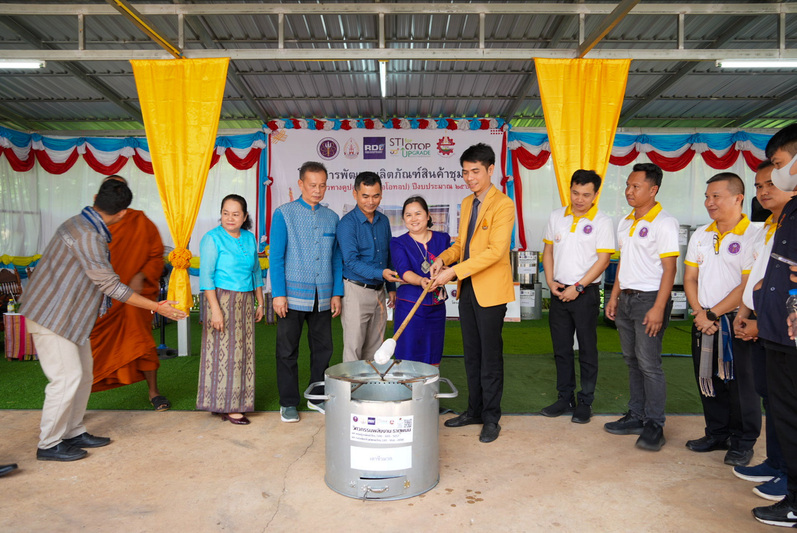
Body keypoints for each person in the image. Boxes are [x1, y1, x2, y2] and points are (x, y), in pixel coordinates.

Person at [20, 179, 186, 462]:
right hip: (52, 315)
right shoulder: (89, 236)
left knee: (84, 375)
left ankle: (73, 431)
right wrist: (157, 307)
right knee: (66, 378)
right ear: (122, 213)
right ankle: (48, 443)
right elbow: (112, 286)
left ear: (96, 197)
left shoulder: (78, 223)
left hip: (72, 317)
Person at [431, 143, 515, 444]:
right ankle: (474, 410)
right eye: (465, 172)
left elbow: (495, 251)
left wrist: (453, 272)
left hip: (490, 291)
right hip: (467, 289)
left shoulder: (504, 205)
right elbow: (462, 245)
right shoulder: (467, 203)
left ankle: (492, 418)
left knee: (490, 357)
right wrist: (444, 258)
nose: (469, 178)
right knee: (472, 355)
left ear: (491, 170)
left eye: (475, 172)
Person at [682, 172, 760, 467]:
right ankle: (717, 433)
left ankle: (743, 441)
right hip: (704, 320)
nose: (709, 202)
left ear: (738, 198)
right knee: (708, 379)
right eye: (707, 196)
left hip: (735, 321)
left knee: (740, 384)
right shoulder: (701, 234)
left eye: (716, 196)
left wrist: (713, 314)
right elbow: (690, 277)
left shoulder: (754, 234)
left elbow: (747, 284)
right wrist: (701, 313)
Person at [604, 163, 679, 452]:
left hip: (650, 299)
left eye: (636, 186)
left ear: (653, 189)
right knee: (631, 360)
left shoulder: (665, 222)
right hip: (626, 298)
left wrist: (659, 307)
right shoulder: (625, 221)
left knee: (650, 364)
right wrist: (613, 296)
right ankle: (636, 416)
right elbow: (624, 261)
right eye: (628, 185)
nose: (629, 191)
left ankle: (655, 425)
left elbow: (669, 269)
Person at [733, 161, 794, 501]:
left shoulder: (792, 226)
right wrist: (744, 311)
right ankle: (776, 462)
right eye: (758, 186)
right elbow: (756, 276)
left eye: (771, 183)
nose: (764, 191)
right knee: (771, 396)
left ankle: (789, 476)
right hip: (760, 319)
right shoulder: (769, 225)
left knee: (787, 404)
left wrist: (762, 322)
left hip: (779, 326)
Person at [270, 161, 343, 423]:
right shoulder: (284, 213)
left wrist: (336, 293)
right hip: (290, 296)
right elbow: (276, 257)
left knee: (323, 349)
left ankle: (317, 397)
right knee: (287, 350)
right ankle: (288, 403)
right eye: (312, 185)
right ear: (300, 184)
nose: (318, 190)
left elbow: (336, 259)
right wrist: (278, 294)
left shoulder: (332, 217)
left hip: (323, 297)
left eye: (322, 185)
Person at [89, 175, 169, 411]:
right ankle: (79, 394)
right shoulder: (89, 227)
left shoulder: (139, 221)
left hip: (135, 298)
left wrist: (141, 275)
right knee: (93, 347)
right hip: (104, 299)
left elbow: (156, 256)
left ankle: (154, 392)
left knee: (142, 342)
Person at [540, 169, 615, 424]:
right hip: (559, 290)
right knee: (561, 349)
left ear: (595, 195)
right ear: (569, 189)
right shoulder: (556, 217)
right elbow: (548, 251)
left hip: (586, 293)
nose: (579, 199)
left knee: (586, 348)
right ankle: (564, 397)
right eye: (575, 192)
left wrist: (579, 287)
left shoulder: (603, 221)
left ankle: (585, 401)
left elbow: (603, 261)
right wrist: (551, 282)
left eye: (586, 194)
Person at [751, 124, 797, 527]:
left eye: (781, 166)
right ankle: (785, 478)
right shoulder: (786, 217)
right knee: (781, 411)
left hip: (790, 332)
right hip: (776, 331)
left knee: (790, 413)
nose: (772, 181)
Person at [197, 194, 264, 425]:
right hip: (221, 300)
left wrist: (260, 301)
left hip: (245, 302)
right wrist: (215, 310)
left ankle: (234, 402)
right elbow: (206, 277)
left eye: (236, 214)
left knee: (242, 352)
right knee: (222, 353)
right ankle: (228, 406)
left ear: (245, 216)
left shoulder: (248, 238)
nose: (230, 218)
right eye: (225, 213)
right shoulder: (211, 238)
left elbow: (256, 271)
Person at [336, 171, 401, 362]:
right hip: (355, 291)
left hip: (380, 291)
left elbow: (388, 255)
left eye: (375, 196)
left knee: (376, 350)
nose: (370, 201)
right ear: (355, 194)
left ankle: (370, 391)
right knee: (354, 349)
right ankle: (352, 392)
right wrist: (382, 273)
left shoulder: (384, 221)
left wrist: (391, 288)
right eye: (365, 196)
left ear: (381, 194)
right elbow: (350, 261)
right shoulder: (347, 224)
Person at [390, 196, 450, 365]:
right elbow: (404, 271)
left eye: (418, 213)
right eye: (408, 215)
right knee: (408, 353)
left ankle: (429, 390)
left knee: (433, 352)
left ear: (428, 215)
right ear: (403, 219)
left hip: (436, 307)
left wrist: (445, 271)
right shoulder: (398, 243)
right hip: (410, 305)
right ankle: (407, 389)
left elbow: (451, 264)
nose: (413, 218)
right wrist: (421, 281)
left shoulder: (442, 239)